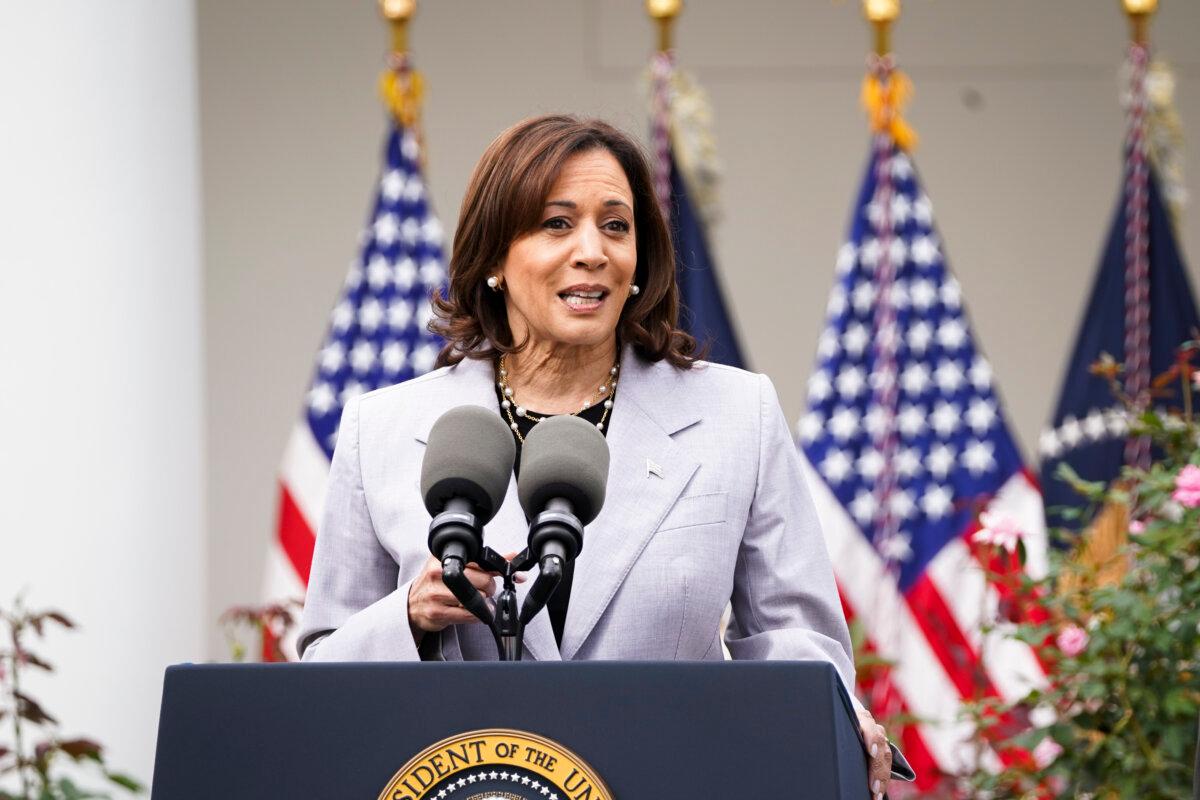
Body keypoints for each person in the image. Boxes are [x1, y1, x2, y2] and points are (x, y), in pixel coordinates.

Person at [297, 114, 893, 797]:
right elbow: (324, 668)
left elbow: (794, 635)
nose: (592, 251)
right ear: (494, 257)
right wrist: (410, 615)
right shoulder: (383, 427)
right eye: (556, 224)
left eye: (616, 225)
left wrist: (831, 704)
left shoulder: (737, 415)